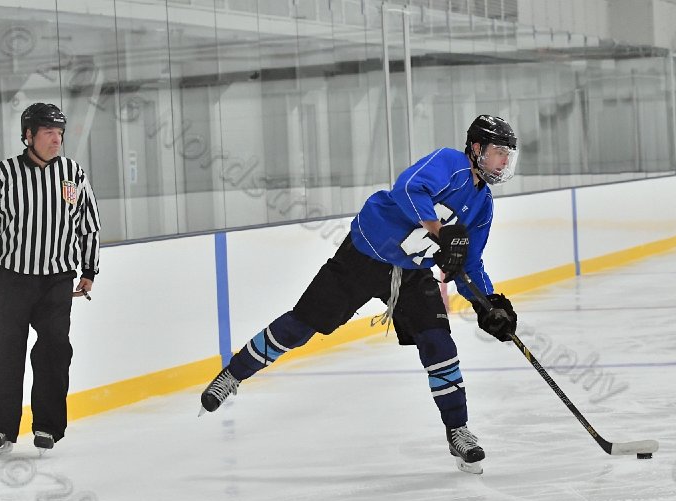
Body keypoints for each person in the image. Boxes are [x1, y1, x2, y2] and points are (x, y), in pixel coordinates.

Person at [199, 115, 520, 474]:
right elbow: (408, 188)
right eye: (498, 152)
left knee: (439, 344)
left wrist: (486, 302)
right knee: (301, 325)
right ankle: (234, 373)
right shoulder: (451, 163)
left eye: (508, 155)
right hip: (363, 257)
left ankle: (457, 430)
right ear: (476, 149)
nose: (504, 161)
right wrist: (436, 231)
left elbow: (469, 262)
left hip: (411, 275)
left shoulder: (484, 205)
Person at [0, 103, 101, 457]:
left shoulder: (73, 175)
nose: (56, 139)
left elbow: (88, 224)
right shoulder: (2, 176)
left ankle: (48, 427)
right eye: (48, 132)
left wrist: (89, 270)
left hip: (55, 282)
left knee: (53, 352)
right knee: (2, 353)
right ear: (28, 135)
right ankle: (1, 428)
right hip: (11, 280)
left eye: (60, 133)